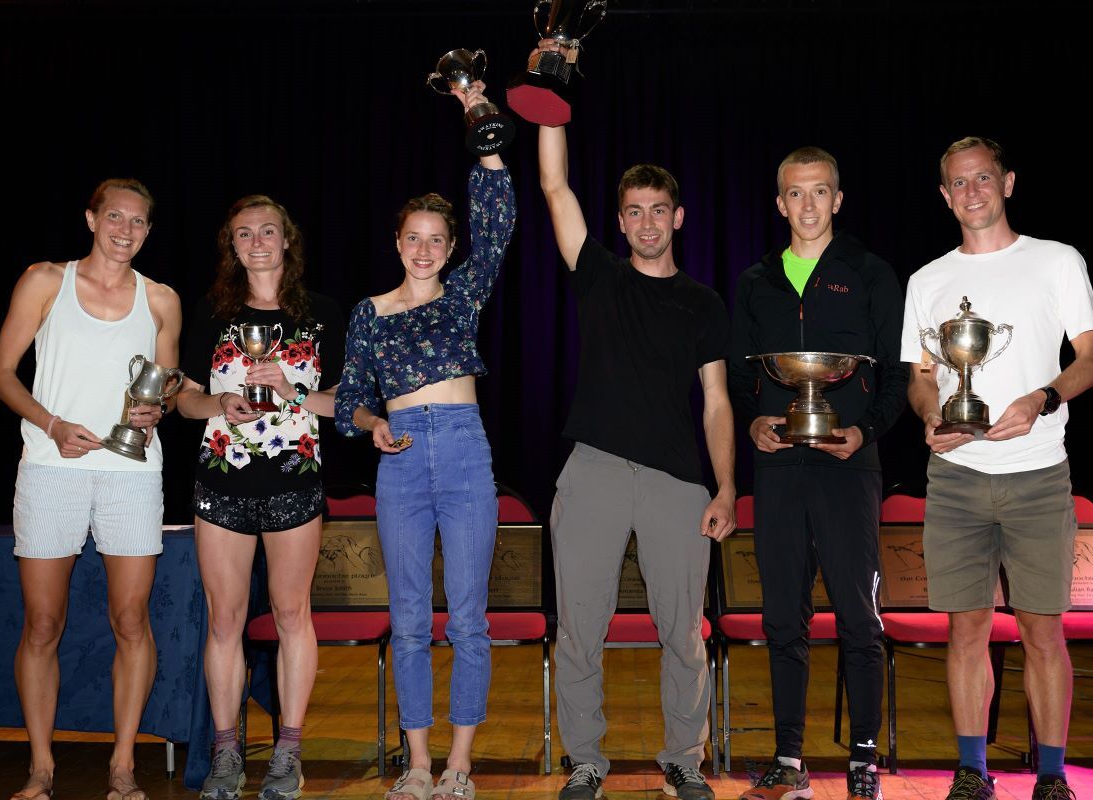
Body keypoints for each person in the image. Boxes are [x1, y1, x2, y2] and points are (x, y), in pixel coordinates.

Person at [532, 40, 737, 800]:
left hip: (679, 484)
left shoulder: (704, 304)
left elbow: (717, 401)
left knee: (683, 632)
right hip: (591, 472)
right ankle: (587, 759)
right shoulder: (600, 278)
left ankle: (683, 755)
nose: (647, 223)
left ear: (678, 216)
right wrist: (551, 79)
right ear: (619, 220)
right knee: (578, 629)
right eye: (634, 212)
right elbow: (554, 186)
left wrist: (723, 489)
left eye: (660, 211)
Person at [902, 136, 1093, 800]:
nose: (972, 192)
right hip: (957, 480)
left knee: (1044, 630)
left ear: (1008, 182)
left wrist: (1043, 398)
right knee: (966, 629)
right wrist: (934, 416)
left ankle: (1051, 775)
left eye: (983, 178)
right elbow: (921, 379)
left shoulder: (1055, 262)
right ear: (943, 196)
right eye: (958, 183)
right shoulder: (927, 281)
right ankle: (972, 770)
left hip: (1038, 472)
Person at [335, 81, 515, 800]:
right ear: (397, 241)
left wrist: (480, 118)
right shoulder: (370, 312)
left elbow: (497, 221)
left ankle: (460, 765)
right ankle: (416, 762)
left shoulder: (465, 292)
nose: (425, 249)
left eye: (438, 240)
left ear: (449, 249)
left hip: (466, 449)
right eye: (414, 237)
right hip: (401, 454)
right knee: (409, 618)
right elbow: (349, 396)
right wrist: (372, 423)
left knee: (468, 619)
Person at [0, 178, 182, 800]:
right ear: (92, 219)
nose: (126, 230)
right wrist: (50, 424)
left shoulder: (161, 300)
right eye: (116, 217)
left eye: (139, 222)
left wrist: (158, 412)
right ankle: (41, 768)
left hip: (132, 471)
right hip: (50, 467)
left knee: (131, 618)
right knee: (43, 623)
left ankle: (123, 765)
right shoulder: (46, 281)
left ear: (149, 231)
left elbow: (167, 385)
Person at [728, 147, 905, 800]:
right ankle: (789, 760)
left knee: (859, 616)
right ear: (780, 204)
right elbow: (743, 374)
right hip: (778, 469)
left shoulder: (869, 273)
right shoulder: (755, 281)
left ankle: (863, 762)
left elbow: (895, 370)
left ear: (838, 199)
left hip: (848, 465)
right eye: (795, 194)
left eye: (819, 192)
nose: (807, 205)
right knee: (783, 619)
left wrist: (867, 430)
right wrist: (753, 420)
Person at [175, 194, 344, 800]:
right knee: (225, 620)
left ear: (287, 240)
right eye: (244, 233)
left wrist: (293, 389)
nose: (256, 241)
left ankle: (287, 753)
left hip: (294, 481)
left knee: (293, 614)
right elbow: (184, 399)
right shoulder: (212, 314)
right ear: (232, 245)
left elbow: (343, 405)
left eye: (267, 231)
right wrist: (217, 403)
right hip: (222, 479)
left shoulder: (321, 314)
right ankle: (225, 754)